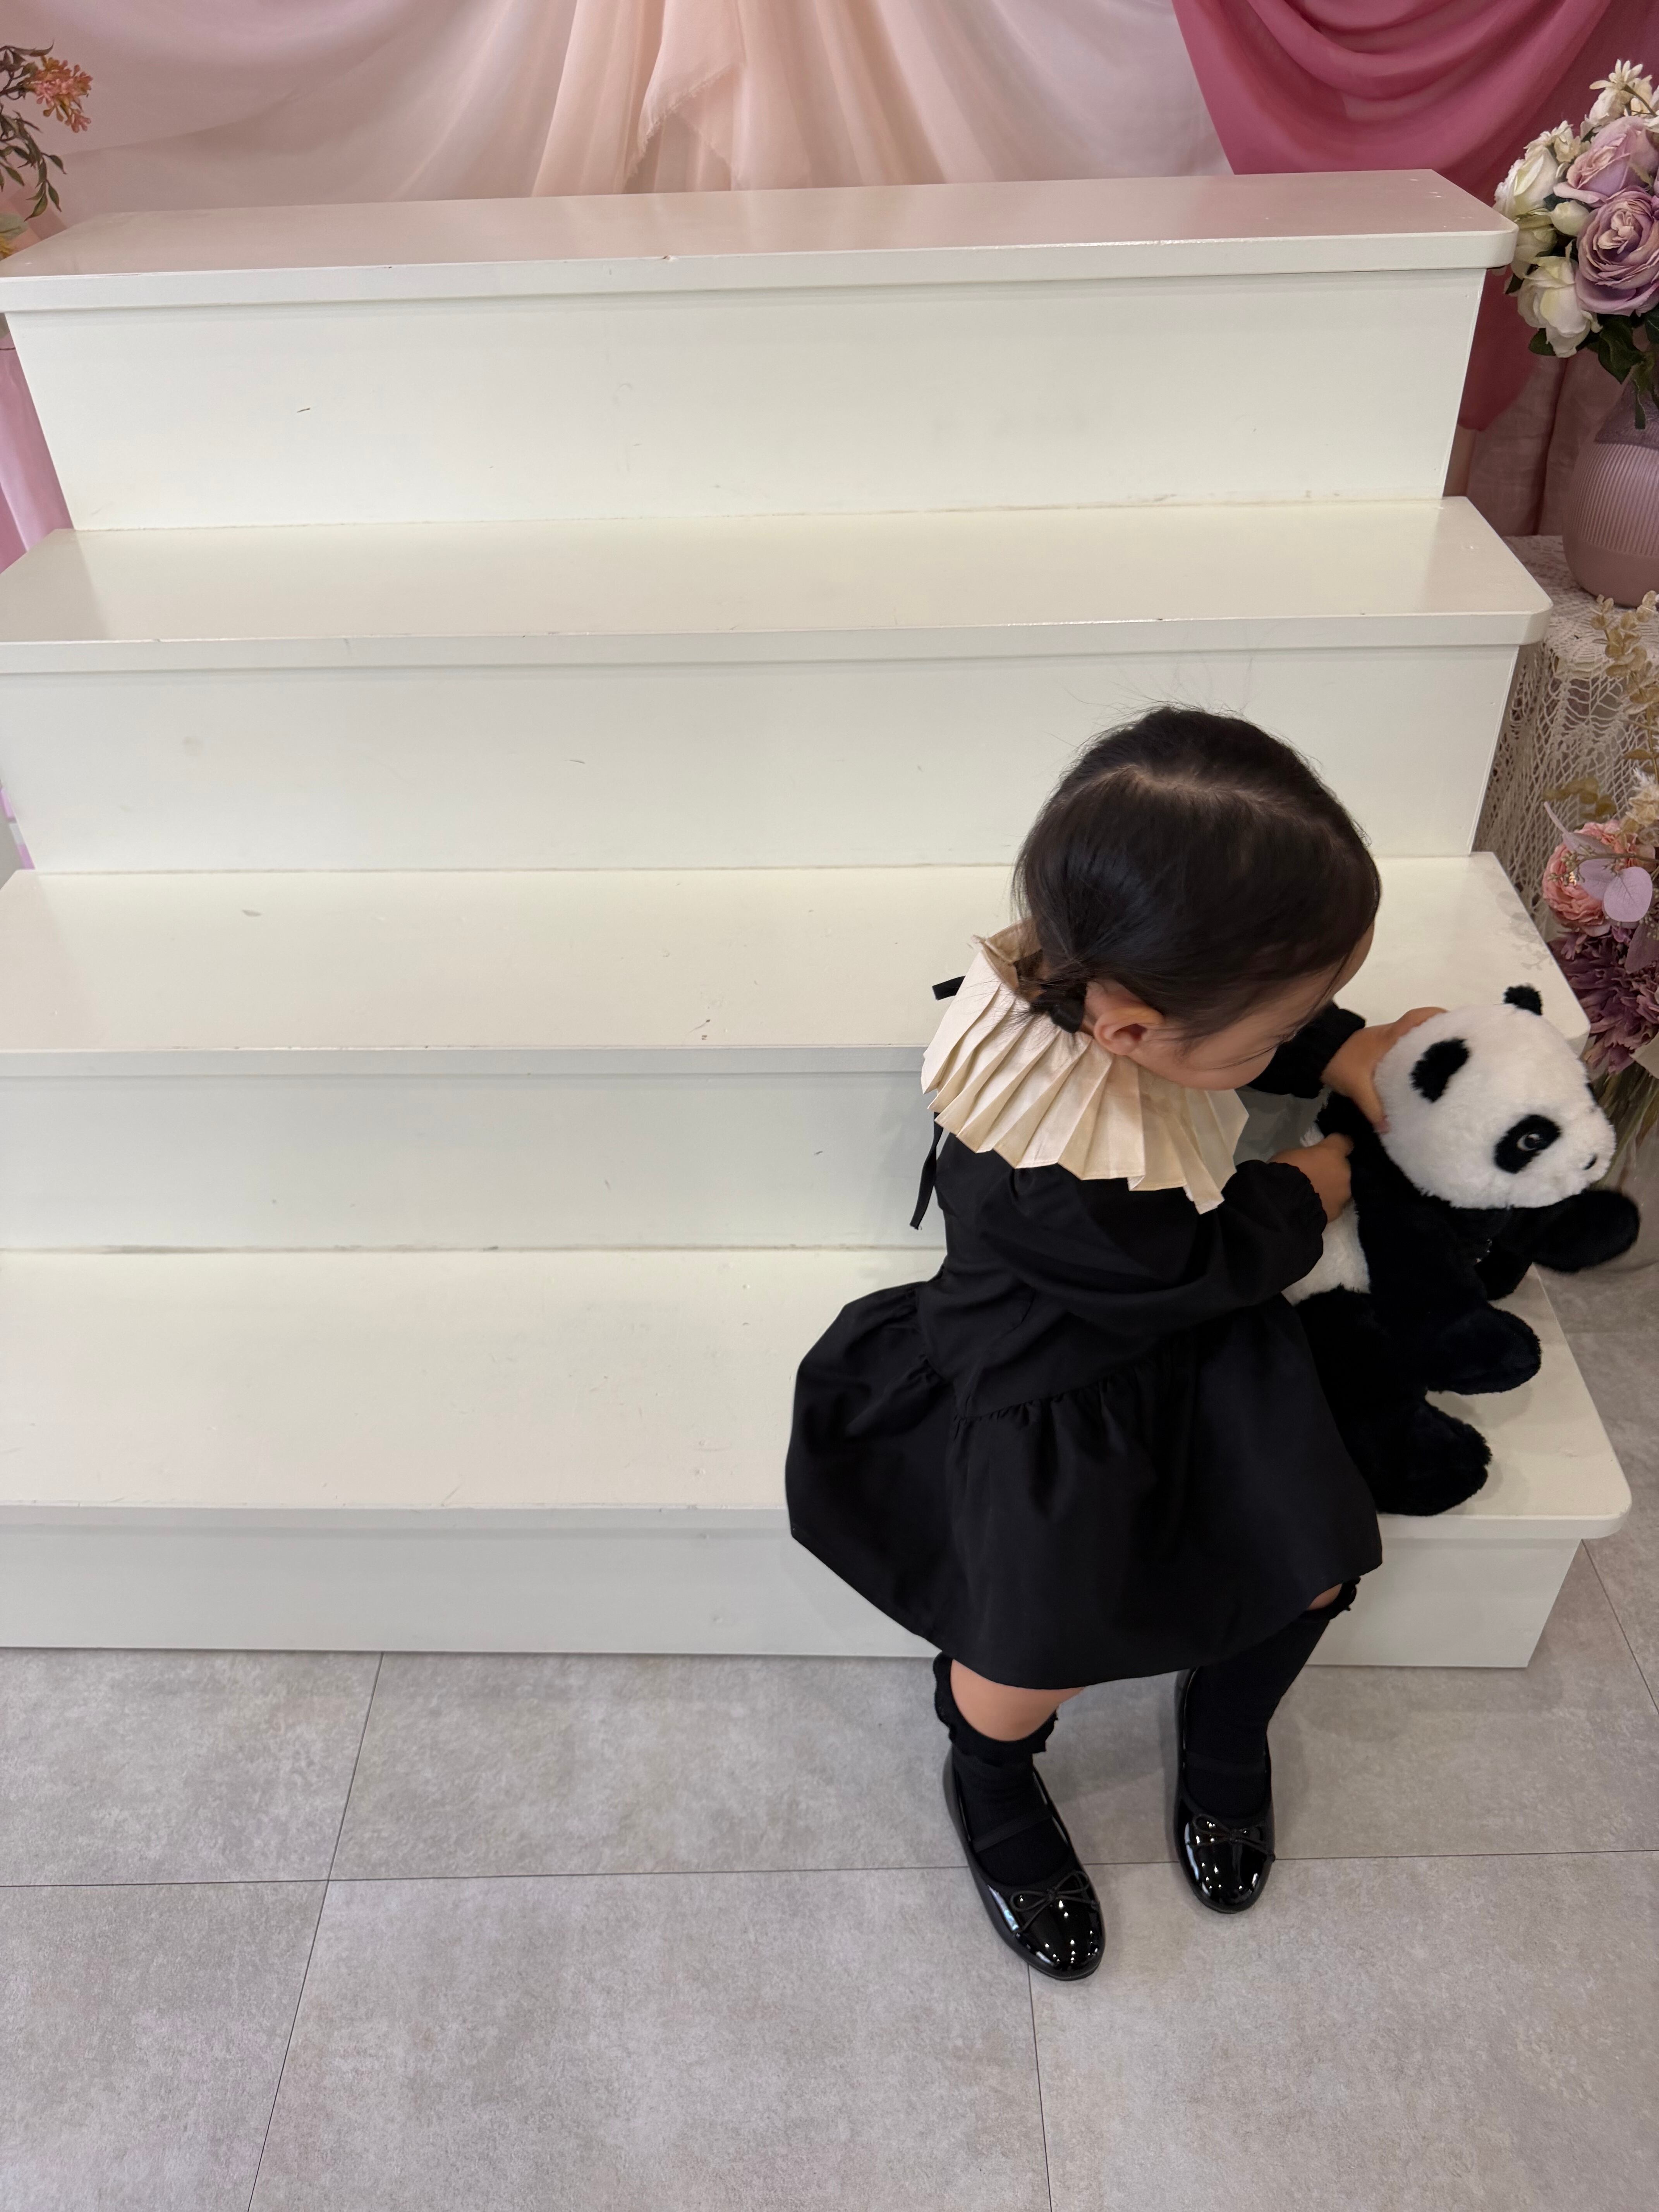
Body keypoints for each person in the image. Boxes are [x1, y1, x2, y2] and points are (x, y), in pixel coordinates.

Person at [786, 707, 1441, 1982]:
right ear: (1129, 1030)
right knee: (1025, 1655)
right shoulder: (1060, 1187)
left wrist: (1336, 1044)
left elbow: (1230, 1003)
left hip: (1189, 1350)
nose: (1283, 1045)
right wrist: (1311, 1181)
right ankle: (987, 1772)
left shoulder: (1095, 959)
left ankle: (1226, 1724)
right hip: (1051, 1394)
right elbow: (1198, 1261)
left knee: (1310, 1564)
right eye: (1275, 1035)